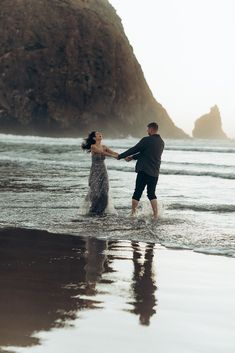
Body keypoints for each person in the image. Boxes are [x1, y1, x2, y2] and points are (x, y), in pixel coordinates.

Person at [117, 122, 164, 219]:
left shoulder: (146, 140)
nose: (147, 131)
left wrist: (121, 156)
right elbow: (146, 154)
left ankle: (133, 213)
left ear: (151, 129)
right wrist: (132, 158)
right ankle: (156, 215)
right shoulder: (161, 142)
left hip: (144, 170)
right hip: (155, 172)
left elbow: (135, 149)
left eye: (147, 129)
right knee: (151, 193)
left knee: (137, 192)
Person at [81, 131, 118, 215]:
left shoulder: (104, 146)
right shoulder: (93, 146)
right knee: (96, 193)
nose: (100, 134)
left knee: (105, 192)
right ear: (94, 138)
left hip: (103, 171)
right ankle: (93, 211)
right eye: (97, 134)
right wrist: (113, 156)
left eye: (100, 133)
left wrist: (125, 156)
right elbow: (101, 152)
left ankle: (101, 211)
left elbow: (114, 153)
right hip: (95, 171)